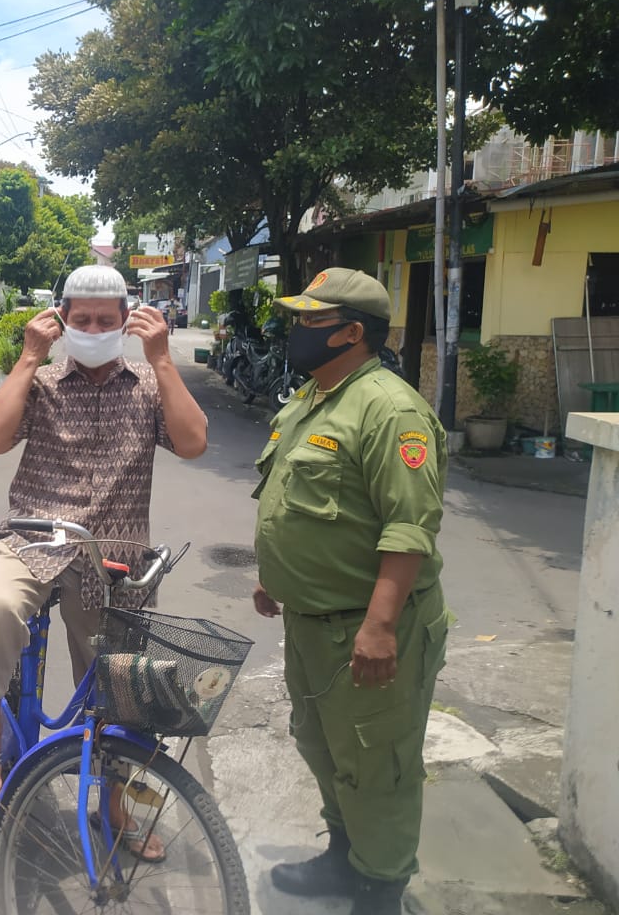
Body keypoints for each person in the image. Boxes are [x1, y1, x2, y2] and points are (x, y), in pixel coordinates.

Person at [0, 264, 210, 826]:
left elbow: (194, 444)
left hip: (115, 559)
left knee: (122, 691)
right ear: (61, 321)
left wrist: (164, 359)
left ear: (126, 323)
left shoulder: (150, 386)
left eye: (105, 320)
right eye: (82, 319)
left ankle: (115, 808)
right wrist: (28, 356)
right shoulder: (42, 380)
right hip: (33, 541)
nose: (93, 329)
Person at [251, 267, 449, 915]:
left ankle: (379, 887)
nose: (296, 331)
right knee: (323, 745)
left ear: (350, 333)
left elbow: (408, 527)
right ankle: (344, 857)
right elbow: (303, 501)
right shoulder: (315, 395)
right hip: (312, 623)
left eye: (310, 320)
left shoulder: (390, 409)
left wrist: (381, 625)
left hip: (366, 628)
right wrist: (276, 572)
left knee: (378, 764)